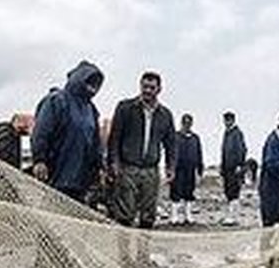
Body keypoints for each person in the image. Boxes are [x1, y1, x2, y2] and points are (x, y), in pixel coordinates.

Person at [106, 72, 176, 229]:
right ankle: (123, 253)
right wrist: (114, 164)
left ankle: (142, 253)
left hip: (151, 171)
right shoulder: (125, 108)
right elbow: (114, 139)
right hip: (128, 169)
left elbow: (171, 143)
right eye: (144, 87)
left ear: (159, 89)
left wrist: (170, 167)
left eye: (152, 88)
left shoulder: (165, 115)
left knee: (148, 216)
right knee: (125, 215)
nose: (147, 91)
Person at [31, 60, 105, 203]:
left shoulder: (92, 110)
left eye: (96, 84)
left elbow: (96, 143)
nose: (93, 87)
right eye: (90, 80)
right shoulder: (56, 100)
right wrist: (39, 159)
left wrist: (99, 167)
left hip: (81, 181)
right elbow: (41, 132)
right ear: (79, 78)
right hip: (56, 175)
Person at [171, 114, 204, 224]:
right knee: (176, 192)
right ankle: (174, 216)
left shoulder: (195, 138)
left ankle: (188, 215)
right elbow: (170, 153)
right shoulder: (176, 136)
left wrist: (200, 169)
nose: (187, 125)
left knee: (189, 192)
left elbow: (199, 154)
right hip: (178, 169)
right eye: (185, 123)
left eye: (189, 123)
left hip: (191, 169)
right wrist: (170, 168)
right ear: (182, 123)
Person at [220, 111, 248, 225]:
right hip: (227, 168)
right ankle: (230, 215)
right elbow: (223, 151)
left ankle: (233, 217)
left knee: (234, 192)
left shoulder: (237, 133)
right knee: (228, 191)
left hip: (235, 168)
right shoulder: (226, 133)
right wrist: (222, 167)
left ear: (233, 120)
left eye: (229, 120)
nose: (227, 122)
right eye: (225, 120)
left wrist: (240, 165)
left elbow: (242, 149)